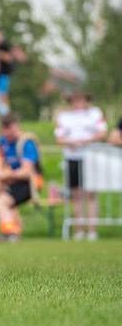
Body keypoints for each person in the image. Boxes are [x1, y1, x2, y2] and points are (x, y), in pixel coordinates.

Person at [0, 113, 42, 241]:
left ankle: (11, 232)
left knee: (1, 203)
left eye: (10, 129)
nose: (7, 134)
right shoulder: (3, 142)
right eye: (4, 130)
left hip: (29, 183)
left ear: (16, 127)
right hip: (11, 183)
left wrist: (6, 174)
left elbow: (26, 172)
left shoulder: (26, 142)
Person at [55, 91, 107, 241]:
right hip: (72, 158)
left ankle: (92, 231)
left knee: (91, 194)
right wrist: (70, 142)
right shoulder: (64, 117)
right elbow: (59, 138)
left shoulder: (95, 113)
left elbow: (102, 132)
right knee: (76, 195)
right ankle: (78, 230)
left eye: (81, 98)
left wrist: (87, 140)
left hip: (91, 157)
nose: (78, 102)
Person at [0, 27, 27, 109]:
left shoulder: (4, 45)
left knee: (2, 95)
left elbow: (9, 58)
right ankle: (4, 114)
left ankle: (6, 114)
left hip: (3, 74)